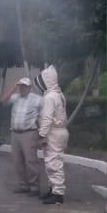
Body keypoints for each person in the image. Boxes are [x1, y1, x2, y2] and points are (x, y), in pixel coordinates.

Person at [0, 76, 43, 196]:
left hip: (29, 133)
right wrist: (13, 88)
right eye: (21, 86)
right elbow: (2, 101)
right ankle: (23, 185)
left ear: (29, 87)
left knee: (30, 161)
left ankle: (35, 187)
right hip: (15, 133)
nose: (22, 89)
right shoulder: (15, 97)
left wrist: (41, 133)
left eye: (25, 86)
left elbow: (44, 115)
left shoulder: (37, 99)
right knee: (17, 161)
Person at [36, 65, 69, 204]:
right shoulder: (59, 94)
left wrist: (41, 134)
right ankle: (53, 189)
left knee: (54, 163)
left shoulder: (50, 97)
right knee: (52, 162)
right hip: (59, 131)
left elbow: (47, 118)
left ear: (47, 81)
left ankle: (58, 194)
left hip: (54, 132)